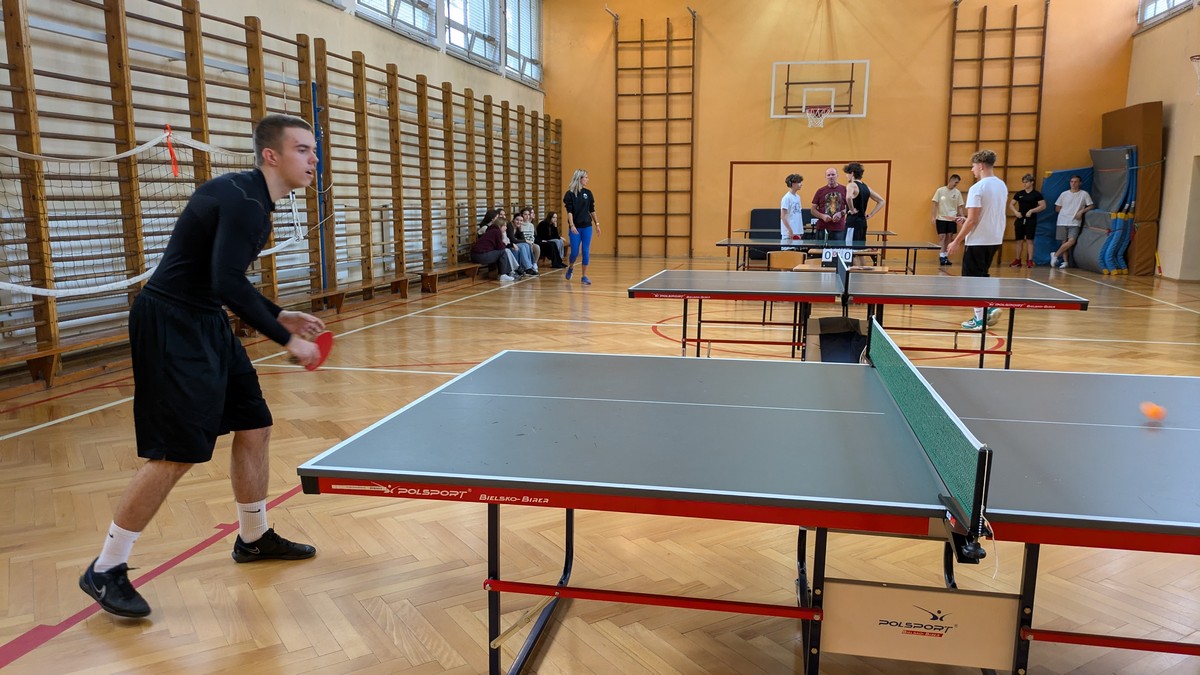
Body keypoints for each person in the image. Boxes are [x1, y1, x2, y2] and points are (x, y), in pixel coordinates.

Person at [78, 114, 325, 619]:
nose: (313, 159)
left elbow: (223, 279)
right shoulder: (244, 202)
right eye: (302, 149)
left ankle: (253, 538)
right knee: (176, 452)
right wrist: (287, 340)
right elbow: (226, 281)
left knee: (254, 424)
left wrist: (279, 314)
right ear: (271, 155)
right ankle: (106, 567)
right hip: (172, 324)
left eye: (313, 150)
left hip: (206, 319)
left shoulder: (252, 200)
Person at [948, 149, 1007, 330]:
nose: (972, 170)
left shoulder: (977, 188)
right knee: (982, 276)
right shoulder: (1001, 185)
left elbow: (973, 220)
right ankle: (989, 308)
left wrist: (956, 241)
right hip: (995, 238)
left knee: (971, 281)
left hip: (978, 240)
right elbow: (983, 215)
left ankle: (980, 319)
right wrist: (965, 220)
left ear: (980, 166)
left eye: (973, 166)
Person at [563, 168, 600, 285]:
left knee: (585, 251)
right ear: (579, 178)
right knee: (574, 252)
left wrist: (597, 224)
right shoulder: (569, 194)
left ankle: (584, 276)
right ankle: (571, 267)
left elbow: (592, 210)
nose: (587, 179)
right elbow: (569, 211)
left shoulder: (588, 193)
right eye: (586, 177)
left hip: (587, 226)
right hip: (575, 227)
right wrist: (572, 225)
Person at [1051, 175, 1094, 269]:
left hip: (1075, 221)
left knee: (1071, 241)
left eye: (1076, 182)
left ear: (1080, 183)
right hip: (1062, 221)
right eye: (1071, 182)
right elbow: (1057, 208)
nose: (1073, 184)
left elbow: (1090, 206)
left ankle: (1055, 255)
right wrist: (1066, 212)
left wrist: (1081, 211)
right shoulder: (1064, 194)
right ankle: (1065, 261)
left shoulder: (1084, 194)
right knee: (1064, 242)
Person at [1009, 174, 1046, 268]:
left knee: (1030, 240)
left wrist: (1032, 211)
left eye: (1026, 182)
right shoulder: (1019, 193)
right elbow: (1011, 204)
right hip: (1020, 218)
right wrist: (1016, 212)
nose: (1024, 184)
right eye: (1023, 182)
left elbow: (1043, 206)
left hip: (1031, 219)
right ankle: (1017, 260)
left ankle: (1030, 260)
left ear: (1032, 182)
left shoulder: (1036, 194)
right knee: (1019, 240)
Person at [843, 162, 885, 244]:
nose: (846, 176)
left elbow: (848, 197)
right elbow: (881, 201)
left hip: (853, 221)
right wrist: (871, 214)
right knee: (860, 248)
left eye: (847, 173)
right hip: (862, 222)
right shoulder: (866, 187)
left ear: (852, 173)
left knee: (849, 247)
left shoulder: (851, 185)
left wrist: (852, 209)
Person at [472, 210, 517, 281]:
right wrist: (505, 243)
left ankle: (505, 273)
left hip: (477, 255)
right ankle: (504, 274)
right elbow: (500, 247)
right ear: (500, 225)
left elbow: (497, 246)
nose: (506, 228)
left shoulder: (492, 230)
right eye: (505, 226)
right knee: (503, 252)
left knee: (502, 252)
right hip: (480, 255)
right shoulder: (496, 231)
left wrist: (509, 244)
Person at [931, 174, 965, 266]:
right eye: (955, 182)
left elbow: (960, 206)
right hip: (941, 218)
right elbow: (935, 204)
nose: (956, 184)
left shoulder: (957, 192)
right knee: (942, 237)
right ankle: (941, 256)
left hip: (952, 218)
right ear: (951, 180)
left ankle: (945, 256)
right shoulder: (940, 190)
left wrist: (962, 217)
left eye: (957, 183)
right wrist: (933, 217)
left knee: (949, 237)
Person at [810, 167, 847, 241]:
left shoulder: (844, 190)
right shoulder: (820, 191)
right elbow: (813, 210)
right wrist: (822, 216)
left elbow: (850, 208)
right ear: (826, 177)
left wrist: (841, 213)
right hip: (822, 228)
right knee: (820, 248)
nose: (831, 177)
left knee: (838, 248)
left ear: (837, 176)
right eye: (828, 175)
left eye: (833, 174)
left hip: (839, 228)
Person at [780, 173, 805, 240]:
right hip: (788, 233)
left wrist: (800, 230)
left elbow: (798, 215)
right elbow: (783, 216)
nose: (801, 184)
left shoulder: (798, 197)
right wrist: (789, 230)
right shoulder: (786, 198)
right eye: (799, 182)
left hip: (797, 232)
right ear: (793, 184)